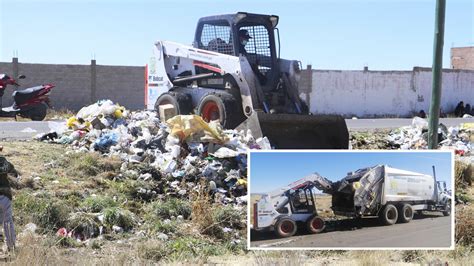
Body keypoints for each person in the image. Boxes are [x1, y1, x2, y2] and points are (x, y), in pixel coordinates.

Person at [0, 156, 17, 252]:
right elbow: (14, 173)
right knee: (7, 222)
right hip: (5, 196)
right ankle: (11, 246)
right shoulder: (3, 161)